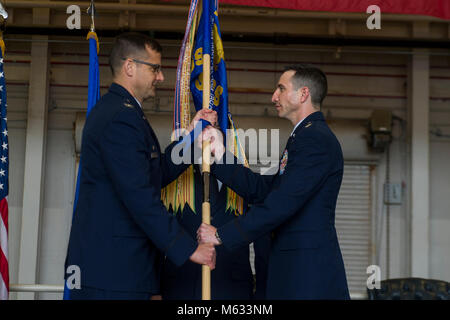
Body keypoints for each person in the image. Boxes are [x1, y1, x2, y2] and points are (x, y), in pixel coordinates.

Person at [64, 32, 217, 300]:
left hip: (120, 271)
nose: (160, 77)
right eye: (155, 68)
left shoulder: (124, 112)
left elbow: (154, 175)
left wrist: (192, 138)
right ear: (130, 67)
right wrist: (188, 248)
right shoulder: (121, 117)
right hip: (112, 273)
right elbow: (139, 196)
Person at [197, 64, 350, 300]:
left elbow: (280, 203)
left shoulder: (314, 139)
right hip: (297, 271)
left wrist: (221, 235)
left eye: (281, 88)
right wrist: (220, 155)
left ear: (303, 94)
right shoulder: (305, 136)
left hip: (307, 275)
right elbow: (265, 190)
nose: (273, 96)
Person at [160, 165, 270, 300]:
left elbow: (262, 232)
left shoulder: (248, 179)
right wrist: (155, 291)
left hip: (232, 291)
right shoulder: (170, 171)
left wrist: (262, 294)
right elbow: (155, 226)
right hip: (180, 288)